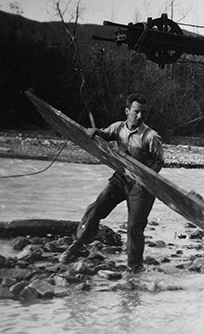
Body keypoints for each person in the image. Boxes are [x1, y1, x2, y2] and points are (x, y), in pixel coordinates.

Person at [60, 93, 165, 273]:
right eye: (136, 112)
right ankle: (77, 246)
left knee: (134, 227)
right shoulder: (118, 127)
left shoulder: (151, 136)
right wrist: (95, 132)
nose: (139, 116)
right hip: (120, 178)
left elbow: (159, 161)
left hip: (142, 186)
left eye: (143, 113)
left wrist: (146, 178)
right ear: (127, 111)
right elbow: (105, 134)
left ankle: (135, 267)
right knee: (96, 208)